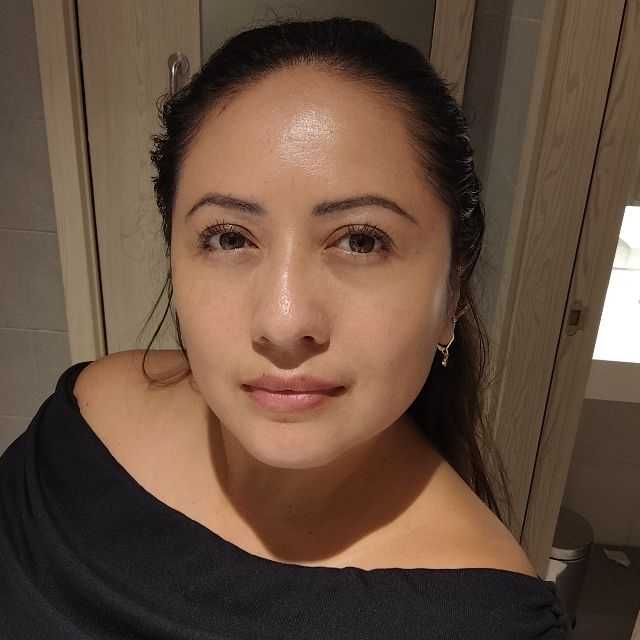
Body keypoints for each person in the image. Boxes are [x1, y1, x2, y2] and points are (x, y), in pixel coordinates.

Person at [0, 16, 571, 639]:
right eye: (229, 238)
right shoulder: (85, 421)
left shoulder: (489, 622)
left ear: (453, 289)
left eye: (360, 241)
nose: (284, 320)